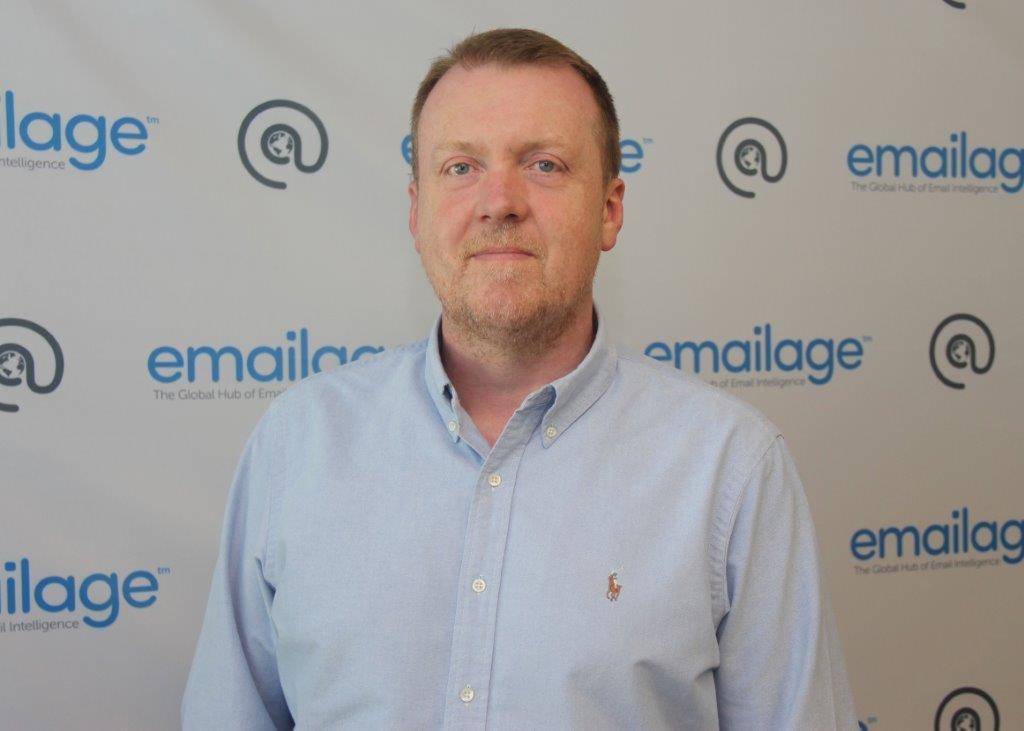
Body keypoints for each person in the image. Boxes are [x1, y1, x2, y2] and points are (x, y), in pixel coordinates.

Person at [182, 28, 857, 729]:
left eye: (544, 164)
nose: (499, 200)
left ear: (610, 210)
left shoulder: (731, 468)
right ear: (416, 211)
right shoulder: (297, 444)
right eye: (461, 167)